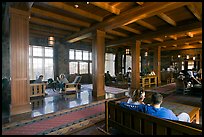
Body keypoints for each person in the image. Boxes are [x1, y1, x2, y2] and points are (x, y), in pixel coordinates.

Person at [120, 92, 190, 122]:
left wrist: (120, 103)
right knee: (185, 115)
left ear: (151, 101)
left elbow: (128, 105)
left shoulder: (144, 108)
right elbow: (176, 121)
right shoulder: (168, 112)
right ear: (161, 101)